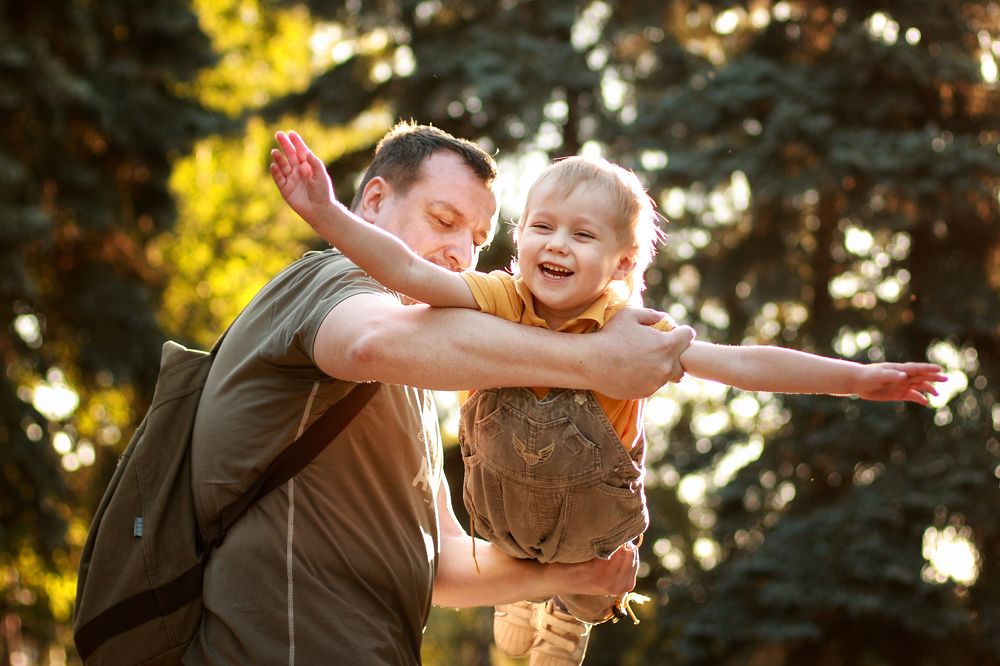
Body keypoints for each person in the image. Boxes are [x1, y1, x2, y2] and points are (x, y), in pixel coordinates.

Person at [269, 129, 947, 666]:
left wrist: (858, 378)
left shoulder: (632, 332)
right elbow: (408, 272)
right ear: (520, 238)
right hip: (506, 508)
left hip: (589, 522)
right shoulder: (501, 300)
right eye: (541, 227)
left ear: (621, 264)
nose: (556, 245)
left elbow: (741, 364)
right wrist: (326, 213)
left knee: (596, 566)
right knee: (508, 528)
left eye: (583, 234)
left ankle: (569, 612)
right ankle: (526, 585)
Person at [183, 121, 695, 665]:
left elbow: (442, 560)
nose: (460, 255)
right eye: (444, 221)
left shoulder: (417, 374)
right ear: (374, 201)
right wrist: (594, 361)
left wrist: (570, 574)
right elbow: (368, 344)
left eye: (477, 241)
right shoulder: (332, 277)